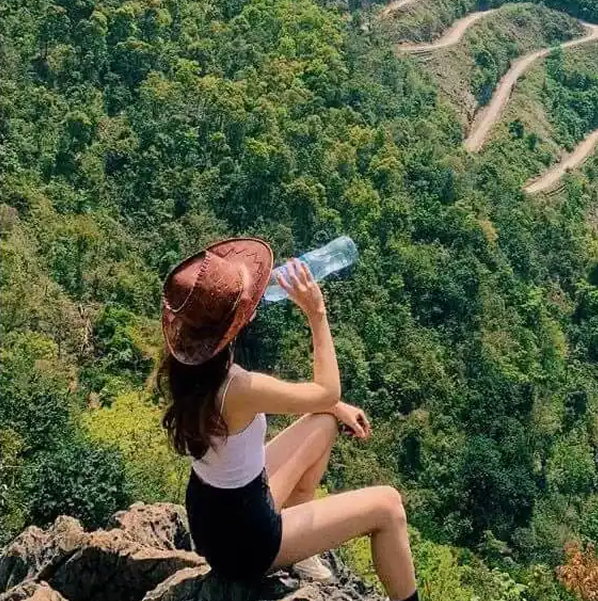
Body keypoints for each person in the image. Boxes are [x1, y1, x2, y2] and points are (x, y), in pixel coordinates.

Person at [156, 237, 418, 601]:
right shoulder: (239, 389)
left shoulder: (191, 367)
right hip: (246, 543)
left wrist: (333, 409)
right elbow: (327, 391)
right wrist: (317, 312)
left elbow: (320, 403)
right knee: (388, 505)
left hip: (214, 515)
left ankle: (301, 550)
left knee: (323, 422)